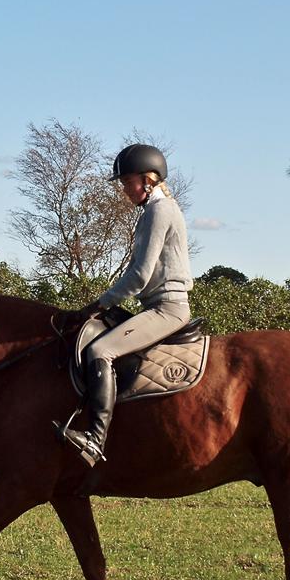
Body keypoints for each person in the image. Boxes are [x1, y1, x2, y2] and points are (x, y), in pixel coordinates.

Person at [60, 143, 193, 466]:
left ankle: (95, 439)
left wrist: (100, 304)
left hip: (167, 308)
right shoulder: (154, 211)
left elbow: (139, 276)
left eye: (127, 182)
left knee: (99, 351)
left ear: (148, 180)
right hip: (154, 305)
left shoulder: (160, 211)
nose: (124, 190)